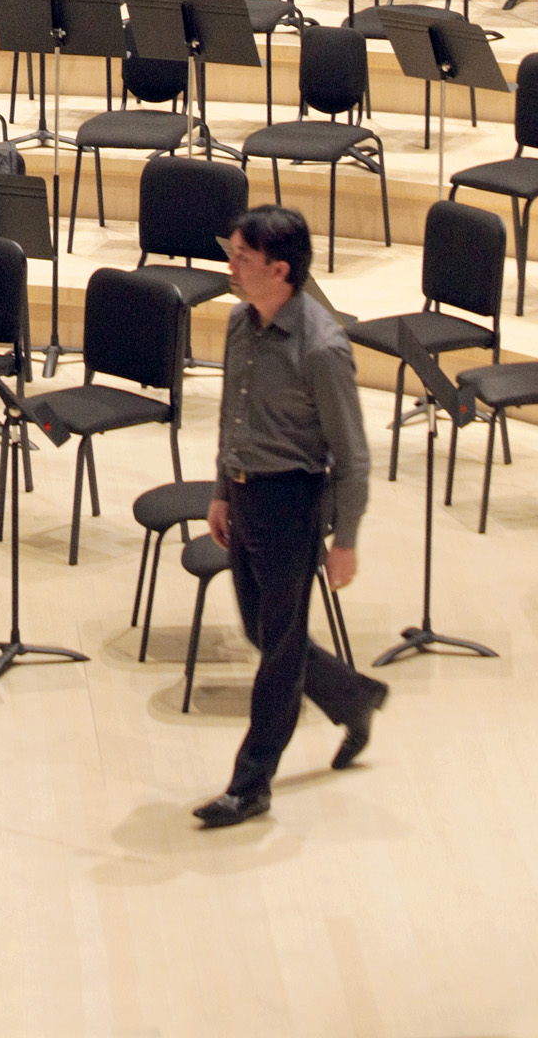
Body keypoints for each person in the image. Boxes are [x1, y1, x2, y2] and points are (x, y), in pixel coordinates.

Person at [194, 203, 381, 831]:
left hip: (292, 502)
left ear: (279, 269)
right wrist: (222, 490)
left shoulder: (323, 347)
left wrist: (346, 541)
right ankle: (352, 696)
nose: (230, 264)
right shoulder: (241, 324)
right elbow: (233, 413)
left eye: (241, 257)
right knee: (263, 631)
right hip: (245, 496)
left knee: (277, 652)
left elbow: (352, 456)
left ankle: (251, 784)